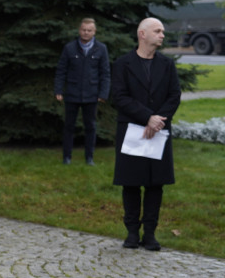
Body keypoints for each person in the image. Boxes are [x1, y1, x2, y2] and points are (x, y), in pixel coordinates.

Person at [111, 17, 180, 251]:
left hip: (158, 131)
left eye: (162, 31)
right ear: (142, 34)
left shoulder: (167, 65)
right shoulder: (123, 64)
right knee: (131, 183)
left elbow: (174, 96)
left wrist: (157, 120)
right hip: (132, 130)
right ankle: (132, 232)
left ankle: (149, 233)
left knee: (155, 184)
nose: (162, 35)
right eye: (157, 31)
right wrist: (146, 117)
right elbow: (119, 97)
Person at [54, 18, 110, 165]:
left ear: (94, 32)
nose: (86, 33)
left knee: (90, 127)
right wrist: (58, 90)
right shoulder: (69, 48)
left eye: (89, 30)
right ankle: (67, 157)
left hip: (92, 95)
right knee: (69, 126)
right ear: (79, 30)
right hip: (72, 93)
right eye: (84, 30)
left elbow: (105, 73)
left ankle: (89, 158)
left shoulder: (101, 49)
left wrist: (103, 93)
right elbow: (61, 71)